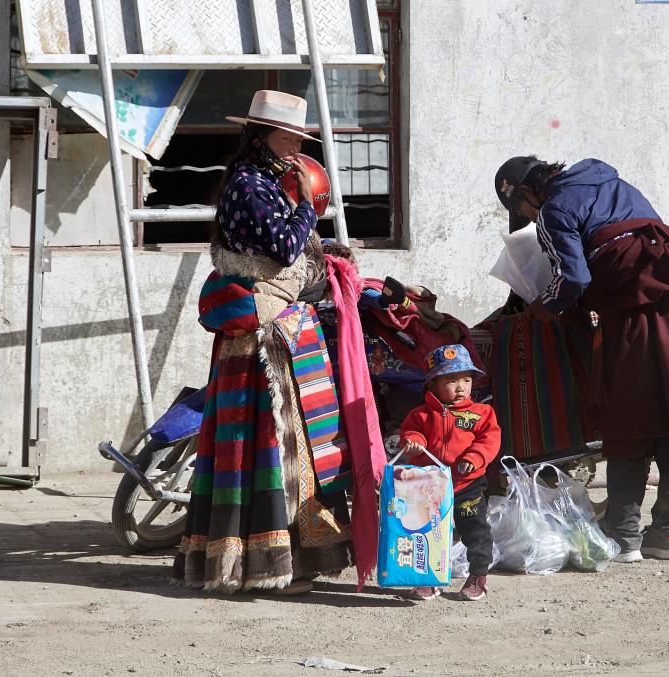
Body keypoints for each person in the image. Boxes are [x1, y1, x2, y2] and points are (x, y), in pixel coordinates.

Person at [493, 155, 669, 563]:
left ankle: (622, 533)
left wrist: (544, 307)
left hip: (634, 315)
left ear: (529, 192)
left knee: (628, 417)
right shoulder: (611, 183)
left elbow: (575, 278)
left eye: (523, 209)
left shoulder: (554, 209)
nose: (530, 217)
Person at [171, 90, 354, 596]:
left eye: (299, 138)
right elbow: (283, 246)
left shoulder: (265, 183)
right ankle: (259, 565)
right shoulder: (250, 186)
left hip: (269, 331)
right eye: (289, 136)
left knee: (282, 443)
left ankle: (287, 559)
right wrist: (305, 208)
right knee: (266, 443)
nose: (296, 146)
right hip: (258, 342)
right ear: (264, 137)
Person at [399, 344, 502, 601]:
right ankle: (427, 579)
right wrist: (412, 441)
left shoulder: (481, 414)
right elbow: (411, 432)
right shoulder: (421, 414)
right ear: (433, 384)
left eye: (466, 380)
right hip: (430, 485)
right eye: (451, 380)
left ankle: (478, 576)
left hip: (467, 484)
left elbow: (490, 439)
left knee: (475, 531)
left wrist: (474, 457)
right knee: (427, 533)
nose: (460, 387)